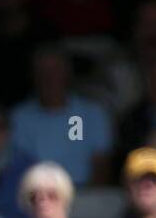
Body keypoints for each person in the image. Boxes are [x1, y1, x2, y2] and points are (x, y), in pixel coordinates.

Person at [9, 45, 113, 186]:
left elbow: (101, 165)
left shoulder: (92, 113)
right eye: (43, 71)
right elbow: (20, 169)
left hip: (85, 194)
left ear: (68, 73)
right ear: (33, 76)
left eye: (55, 70)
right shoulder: (19, 117)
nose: (50, 77)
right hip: (39, 196)